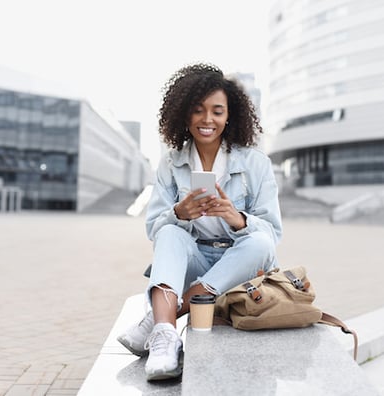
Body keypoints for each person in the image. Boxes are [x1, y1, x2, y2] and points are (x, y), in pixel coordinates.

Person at [117, 63, 283, 381]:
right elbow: (154, 229)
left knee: (259, 241)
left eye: (217, 111)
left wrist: (238, 218)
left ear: (229, 115)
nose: (208, 120)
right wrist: (179, 214)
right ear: (184, 114)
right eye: (198, 110)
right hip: (193, 260)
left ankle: (159, 319)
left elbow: (273, 234)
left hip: (237, 267)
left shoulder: (255, 163)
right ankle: (166, 338)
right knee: (169, 230)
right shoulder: (171, 163)